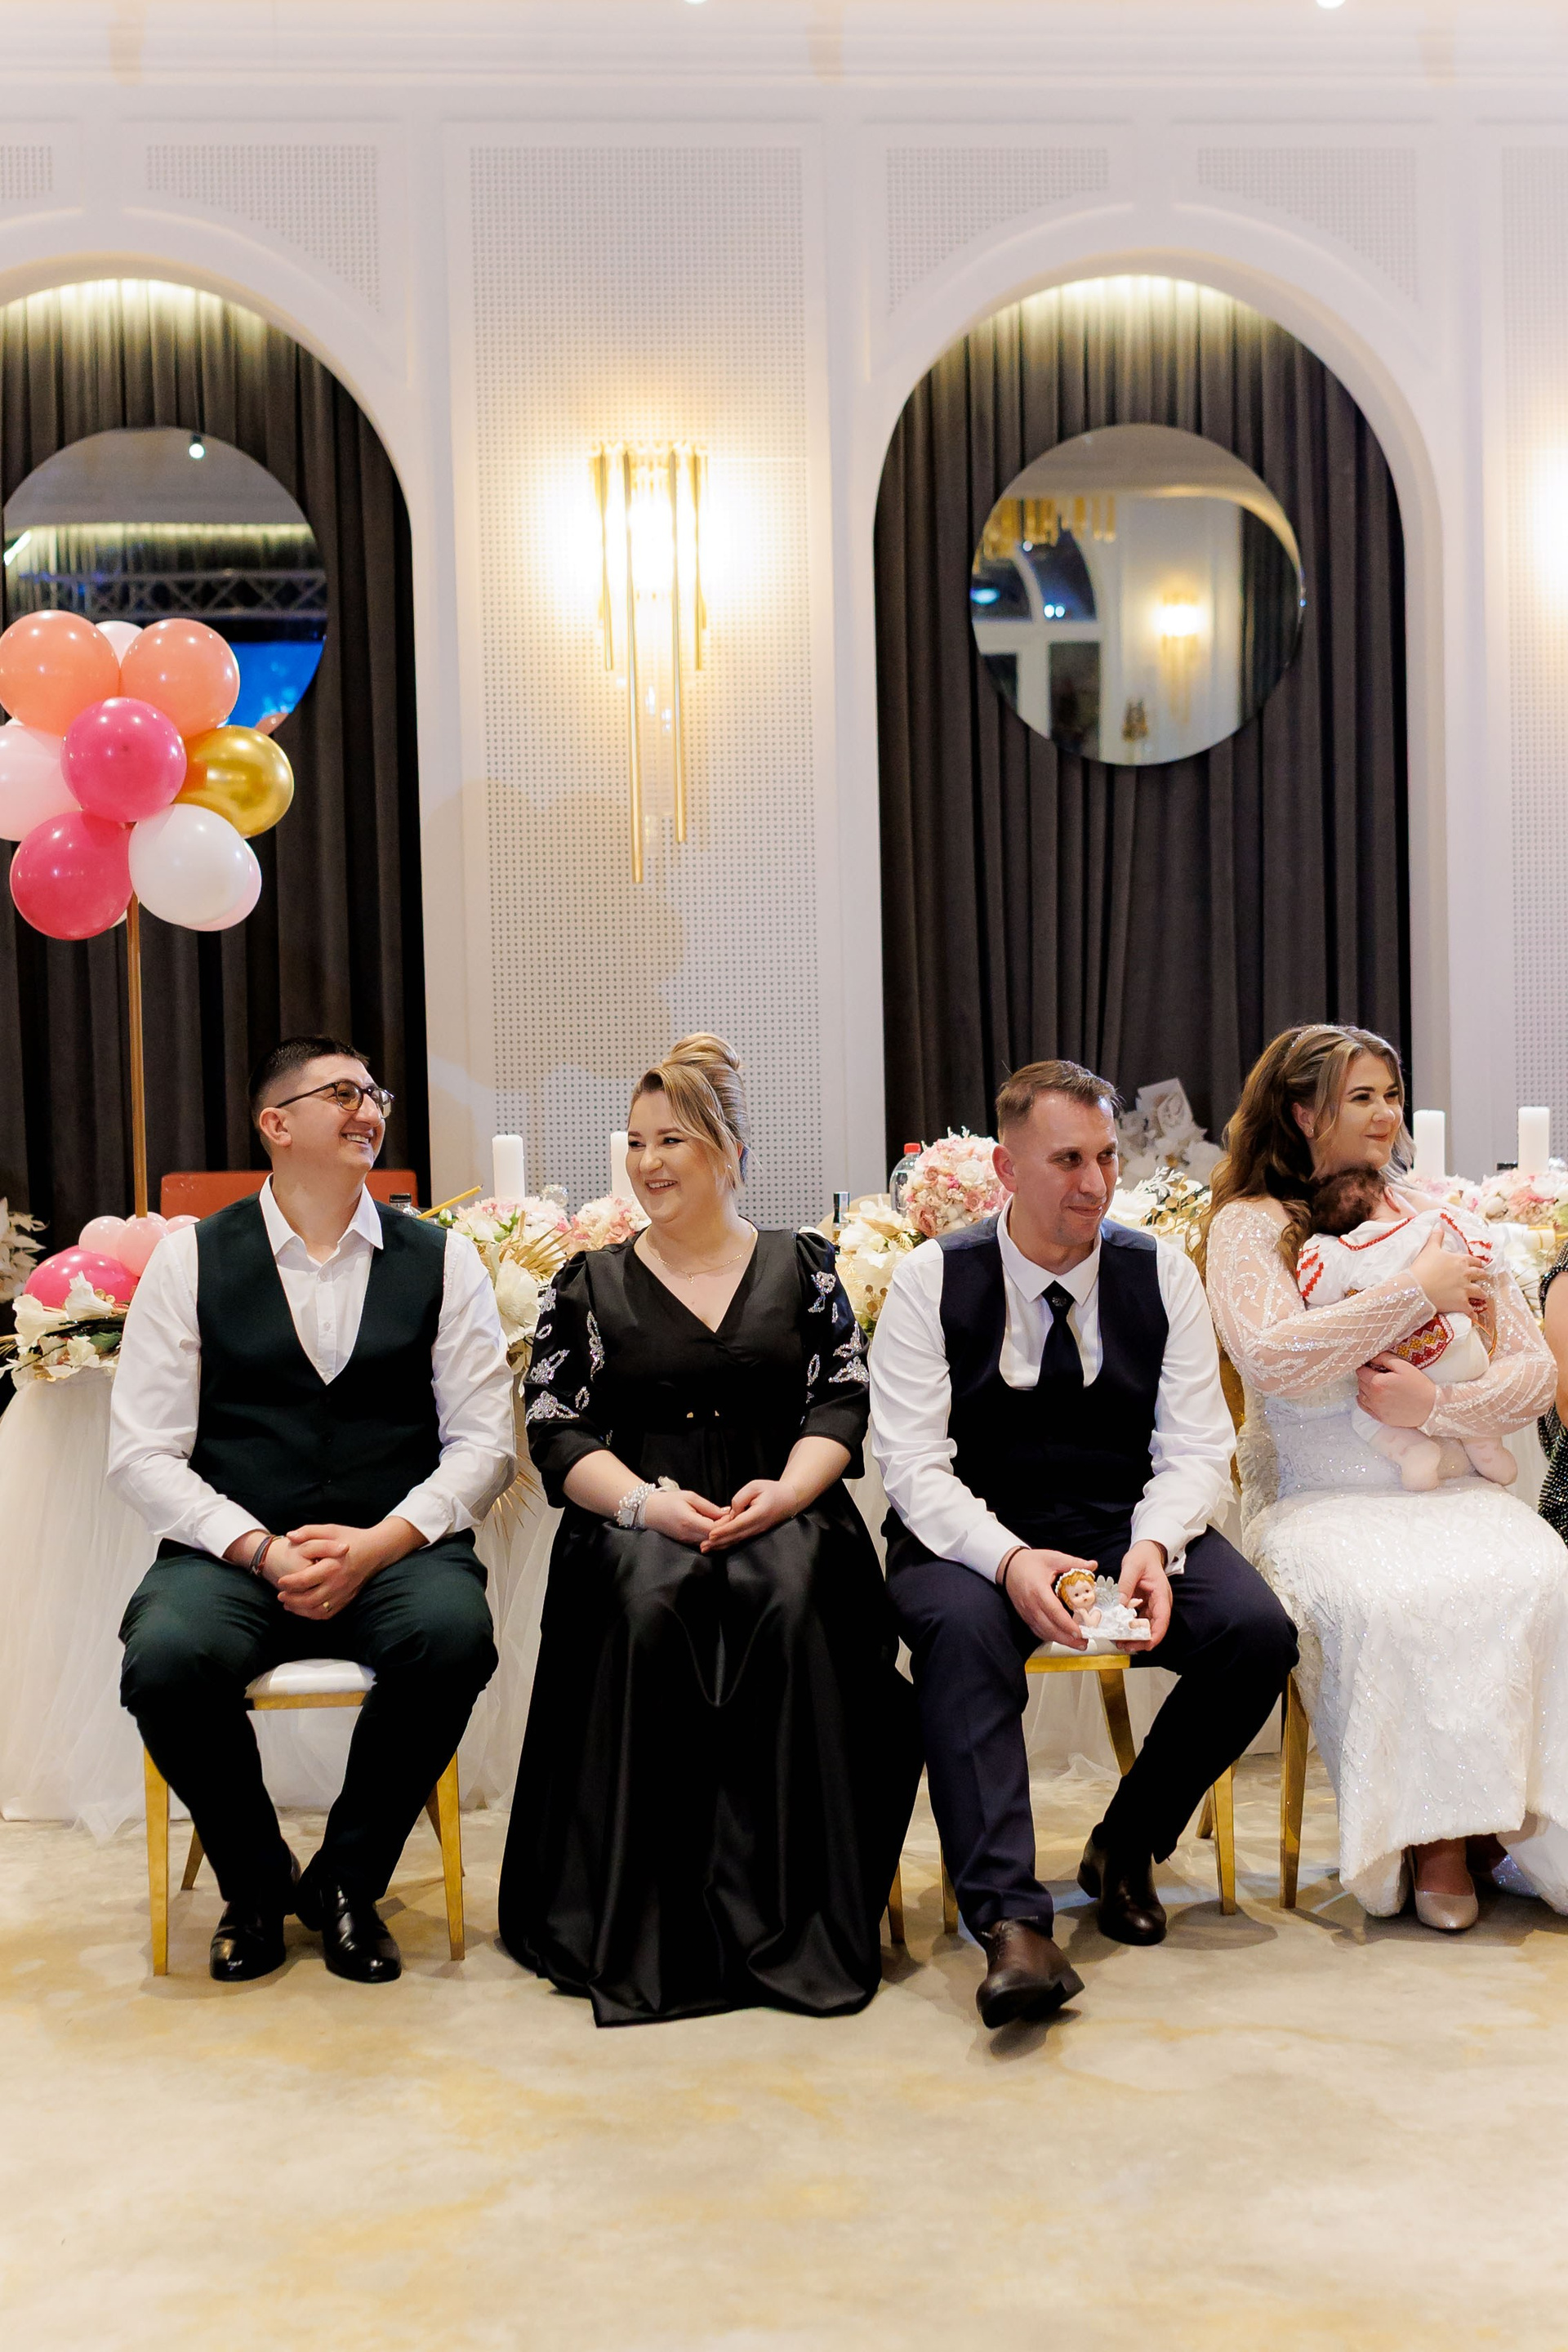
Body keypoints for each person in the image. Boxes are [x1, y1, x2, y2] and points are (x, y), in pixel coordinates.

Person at [497, 1033, 920, 2026]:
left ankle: (800, 1919)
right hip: (637, 1513)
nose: (648, 1162)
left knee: (793, 1600)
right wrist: (645, 1504)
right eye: (637, 1142)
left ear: (728, 1151)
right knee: (649, 1606)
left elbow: (841, 1402)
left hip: (784, 1502)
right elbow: (557, 1429)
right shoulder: (587, 1285)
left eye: (672, 1140)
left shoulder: (804, 1268)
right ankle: (652, 1932)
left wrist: (788, 1493)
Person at [870, 1058, 1296, 2030]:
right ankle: (1012, 1923)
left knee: (1255, 1634)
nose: (1095, 1182)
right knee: (961, 1636)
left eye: (1105, 1157)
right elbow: (912, 1466)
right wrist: (1010, 1559)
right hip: (969, 1534)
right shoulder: (932, 1280)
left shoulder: (1163, 1271)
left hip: (1118, 1522)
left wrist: (1153, 1546)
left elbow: (1197, 1447)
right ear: (1006, 1168)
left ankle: (1127, 1843)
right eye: (1067, 1160)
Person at [109, 1036, 514, 1984]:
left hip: (395, 1550)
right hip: (235, 1555)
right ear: (276, 1124)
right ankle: (256, 1885)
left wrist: (379, 1545)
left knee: (452, 1637)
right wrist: (257, 1547)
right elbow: (141, 1452)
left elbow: (484, 1445)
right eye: (342, 1093)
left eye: (376, 1094)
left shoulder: (444, 1261)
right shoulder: (191, 1261)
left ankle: (345, 1883)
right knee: (166, 1658)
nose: (369, 1109)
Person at [1205, 1022, 1568, 1931]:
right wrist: (1415, 1292)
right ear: (1302, 1113)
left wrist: (1434, 1408)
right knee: (1400, 1595)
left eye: (1391, 1095)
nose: (1385, 1115)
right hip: (1321, 1497)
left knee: (1544, 1571)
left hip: (1447, 1480)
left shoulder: (1439, 1218)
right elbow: (1273, 1356)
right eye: (1360, 1097)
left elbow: (1531, 1374)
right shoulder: (1252, 1225)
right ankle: (1438, 1839)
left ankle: (1511, 1820)